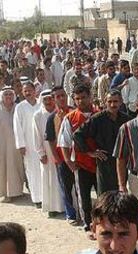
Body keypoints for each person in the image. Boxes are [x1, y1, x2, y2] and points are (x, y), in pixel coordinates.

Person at [74, 90, 131, 195]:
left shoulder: (126, 119)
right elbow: (78, 135)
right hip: (105, 164)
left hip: (123, 163)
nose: (113, 104)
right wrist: (90, 152)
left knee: (123, 197)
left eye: (115, 101)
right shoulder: (97, 119)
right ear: (105, 102)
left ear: (121, 102)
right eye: (110, 101)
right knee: (106, 198)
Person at [58, 85, 98, 232]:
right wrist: (69, 162)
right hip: (81, 165)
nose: (80, 101)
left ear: (90, 97)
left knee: (102, 196)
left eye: (83, 97)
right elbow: (64, 142)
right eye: (77, 99)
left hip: (100, 165)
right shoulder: (70, 118)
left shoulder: (100, 114)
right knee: (84, 197)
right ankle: (88, 223)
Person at [45, 86, 77, 224]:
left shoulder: (75, 113)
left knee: (80, 186)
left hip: (78, 157)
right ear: (54, 99)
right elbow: (51, 140)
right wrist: (57, 158)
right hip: (62, 159)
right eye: (58, 96)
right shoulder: (52, 118)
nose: (61, 98)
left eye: (63, 95)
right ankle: (71, 214)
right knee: (66, 187)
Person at [0, 87, 24, 202]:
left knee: (16, 168)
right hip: (1, 145)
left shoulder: (18, 108)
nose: (8, 97)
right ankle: (6, 194)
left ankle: (17, 191)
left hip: (16, 145)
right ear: (2, 96)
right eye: (6, 94)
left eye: (10, 94)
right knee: (3, 169)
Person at [32, 90, 64, 217]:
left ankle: (65, 206)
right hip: (47, 153)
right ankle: (52, 207)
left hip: (61, 152)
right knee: (49, 179)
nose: (48, 102)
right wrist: (41, 153)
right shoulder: (38, 115)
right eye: (45, 99)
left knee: (63, 179)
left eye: (50, 98)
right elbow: (37, 136)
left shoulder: (60, 112)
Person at [13, 81, 42, 207]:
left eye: (30, 90)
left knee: (44, 171)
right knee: (31, 171)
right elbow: (17, 127)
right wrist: (21, 145)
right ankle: (37, 198)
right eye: (25, 91)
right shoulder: (20, 107)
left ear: (34, 91)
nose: (28, 93)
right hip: (28, 145)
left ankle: (46, 197)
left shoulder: (41, 104)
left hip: (42, 144)